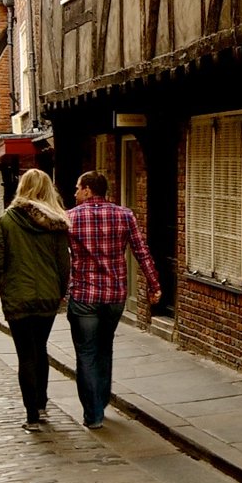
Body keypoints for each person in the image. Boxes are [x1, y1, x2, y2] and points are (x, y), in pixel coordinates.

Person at [65, 170, 160, 429]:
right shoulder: (124, 215)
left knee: (86, 353)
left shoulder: (70, 218)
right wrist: (154, 285)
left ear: (87, 189)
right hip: (115, 295)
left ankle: (92, 413)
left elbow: (60, 259)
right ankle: (102, 400)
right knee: (104, 347)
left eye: (77, 188)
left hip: (84, 295)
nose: (74, 193)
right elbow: (142, 251)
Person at [0, 169, 71, 428]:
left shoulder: (7, 220)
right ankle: (42, 405)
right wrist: (59, 290)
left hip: (17, 296)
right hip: (47, 296)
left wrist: (3, 278)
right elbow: (64, 264)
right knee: (40, 350)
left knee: (25, 354)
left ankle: (32, 416)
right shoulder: (57, 223)